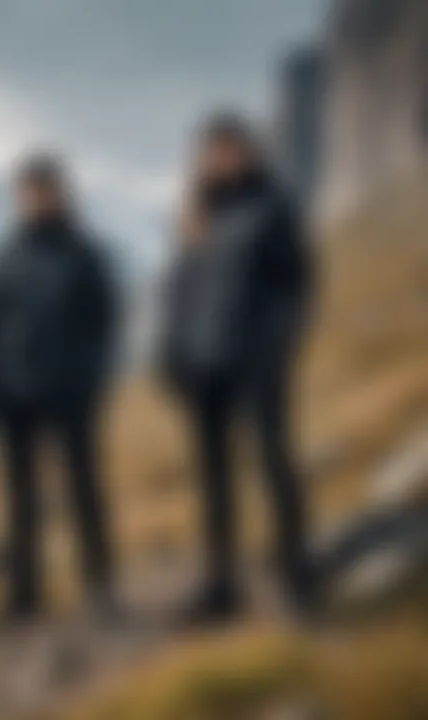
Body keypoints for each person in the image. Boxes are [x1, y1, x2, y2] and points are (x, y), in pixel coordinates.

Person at [160, 113, 317, 624]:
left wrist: (273, 349)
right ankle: (220, 586)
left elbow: (295, 287)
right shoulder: (196, 213)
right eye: (213, 150)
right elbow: (181, 289)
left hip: (255, 363)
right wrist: (174, 354)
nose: (222, 158)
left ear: (248, 151)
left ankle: (297, 578)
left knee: (274, 464)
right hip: (205, 366)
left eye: (231, 148)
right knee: (213, 478)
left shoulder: (272, 206)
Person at [0, 152, 118, 622]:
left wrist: (89, 378)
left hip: (70, 392)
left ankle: (99, 588)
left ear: (61, 194)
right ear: (19, 199)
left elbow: (104, 322)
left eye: (45, 191)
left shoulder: (84, 253)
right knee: (20, 498)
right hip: (15, 392)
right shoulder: (5, 255)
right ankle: (24, 593)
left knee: (83, 490)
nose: (37, 200)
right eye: (28, 192)